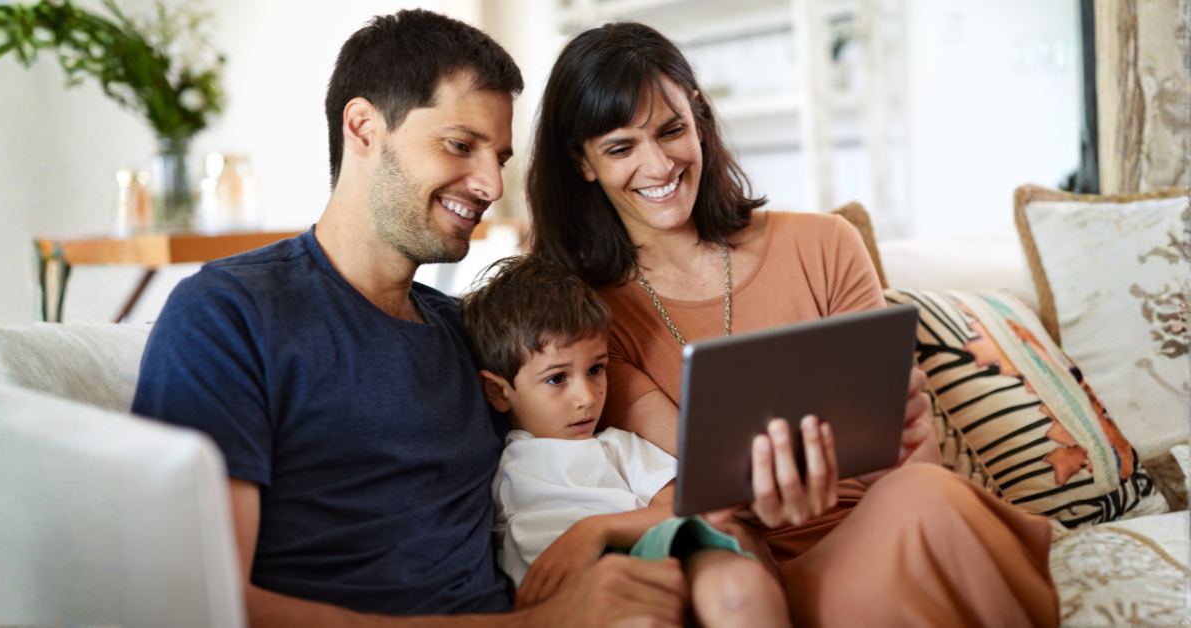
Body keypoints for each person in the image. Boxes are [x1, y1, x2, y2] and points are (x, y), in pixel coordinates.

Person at [131, 10, 688, 628]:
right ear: (364, 127)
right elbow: (200, 603)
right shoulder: (230, 314)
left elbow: (634, 455)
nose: (490, 185)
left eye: (499, 157)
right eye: (460, 145)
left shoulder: (474, 335)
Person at [526, 22, 1061, 628]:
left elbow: (917, 467)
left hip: (897, 525)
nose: (659, 164)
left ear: (698, 117)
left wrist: (898, 447)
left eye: (672, 130)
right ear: (583, 162)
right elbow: (713, 484)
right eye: (621, 148)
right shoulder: (592, 321)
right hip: (754, 576)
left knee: (927, 496)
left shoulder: (825, 244)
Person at [461, 255, 790, 628]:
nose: (587, 397)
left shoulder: (618, 446)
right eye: (557, 379)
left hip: (653, 552)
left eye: (596, 369)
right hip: (572, 596)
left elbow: (686, 509)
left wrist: (600, 529)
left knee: (736, 581)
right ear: (498, 391)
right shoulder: (489, 468)